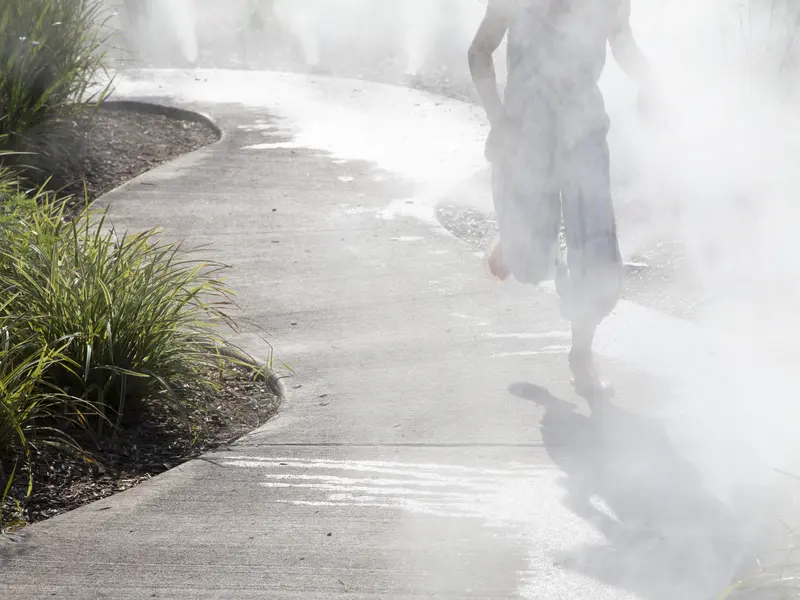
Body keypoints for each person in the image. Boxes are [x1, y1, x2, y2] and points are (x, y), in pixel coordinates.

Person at [468, 0, 652, 399]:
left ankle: (581, 355)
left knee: (597, 250)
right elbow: (479, 51)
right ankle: (516, 238)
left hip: (584, 128)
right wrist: (498, 120)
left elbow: (621, 39)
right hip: (526, 132)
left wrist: (649, 81)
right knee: (528, 262)